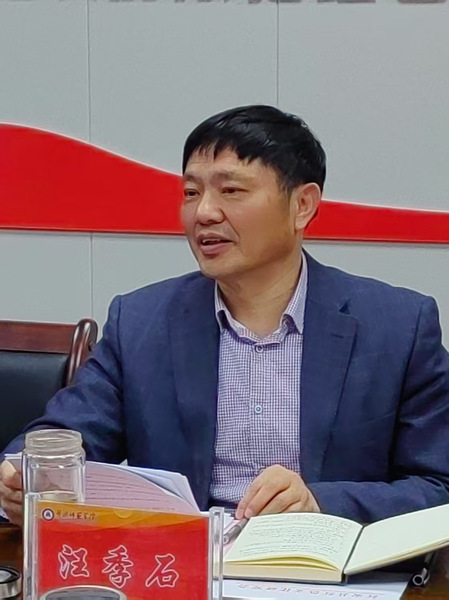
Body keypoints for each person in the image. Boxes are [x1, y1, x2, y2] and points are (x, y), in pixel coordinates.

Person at [1, 105, 449, 527]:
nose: (204, 213)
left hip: (327, 565)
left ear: (302, 205)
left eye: (231, 191)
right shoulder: (140, 321)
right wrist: (24, 477)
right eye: (191, 193)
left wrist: (320, 503)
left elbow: (438, 484)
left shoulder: (397, 327)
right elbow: (67, 435)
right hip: (180, 563)